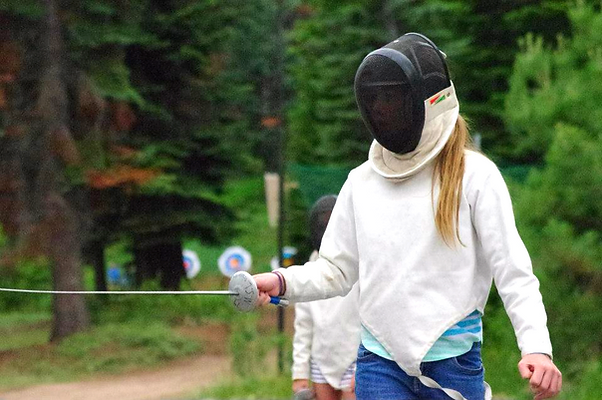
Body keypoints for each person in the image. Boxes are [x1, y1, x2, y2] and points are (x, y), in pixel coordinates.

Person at [254, 33, 562, 400]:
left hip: (453, 365)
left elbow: (512, 269)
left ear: (428, 102)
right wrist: (281, 282)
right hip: (379, 364)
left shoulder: (475, 176)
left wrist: (536, 347)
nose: (381, 108)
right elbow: (335, 270)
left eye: (392, 97)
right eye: (375, 98)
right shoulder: (361, 182)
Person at [292, 195, 360, 400]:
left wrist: (364, 365)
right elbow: (303, 327)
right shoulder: (308, 273)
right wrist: (300, 373)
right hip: (321, 361)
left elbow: (372, 320)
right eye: (322, 225)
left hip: (354, 359)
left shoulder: (358, 268)